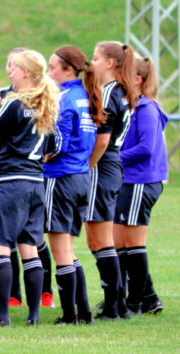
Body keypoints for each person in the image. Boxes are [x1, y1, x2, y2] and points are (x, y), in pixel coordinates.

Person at [0, 49, 59, 327]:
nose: (9, 71)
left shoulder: (13, 105)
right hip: (36, 183)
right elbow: (53, 149)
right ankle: (34, 316)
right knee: (30, 249)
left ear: (26, 73)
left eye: (13, 68)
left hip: (9, 183)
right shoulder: (47, 105)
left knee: (0, 249)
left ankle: (2, 318)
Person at [44, 46, 103, 324]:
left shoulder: (64, 98)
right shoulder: (84, 95)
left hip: (60, 177)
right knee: (68, 249)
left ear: (68, 69)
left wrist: (36, 157)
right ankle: (85, 312)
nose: (48, 72)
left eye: (52, 67)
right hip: (81, 177)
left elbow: (57, 145)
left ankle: (70, 316)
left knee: (61, 252)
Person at [85, 41, 137, 320]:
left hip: (103, 166)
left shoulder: (107, 93)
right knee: (99, 240)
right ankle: (116, 304)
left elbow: (102, 140)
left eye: (95, 58)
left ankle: (114, 306)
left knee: (99, 240)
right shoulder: (122, 91)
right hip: (112, 167)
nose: (90, 63)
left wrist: (87, 166)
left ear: (109, 63)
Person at [113, 55, 167, 315]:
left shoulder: (146, 109)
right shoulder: (130, 107)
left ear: (137, 79)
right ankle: (146, 297)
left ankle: (135, 302)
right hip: (130, 181)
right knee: (119, 242)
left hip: (140, 181)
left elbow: (146, 148)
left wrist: (112, 157)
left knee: (132, 244)